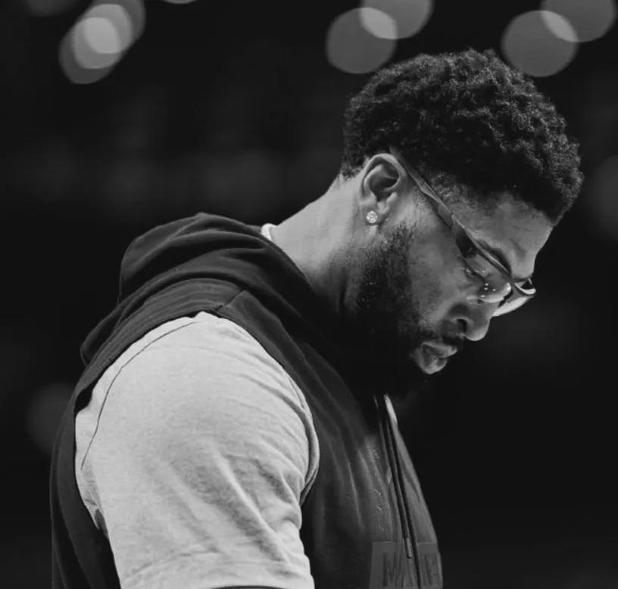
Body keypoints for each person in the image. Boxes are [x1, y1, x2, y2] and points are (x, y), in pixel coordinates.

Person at [50, 48, 583, 589]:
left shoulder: (345, 363)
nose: (482, 323)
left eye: (506, 293)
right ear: (382, 189)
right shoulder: (206, 374)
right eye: (480, 269)